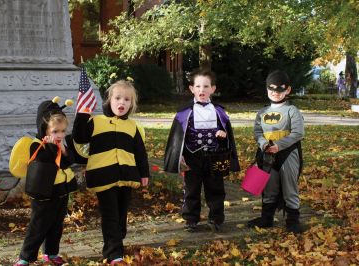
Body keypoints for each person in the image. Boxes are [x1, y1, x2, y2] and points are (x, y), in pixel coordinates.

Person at [72, 80, 150, 265]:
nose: (121, 102)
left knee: (121, 215)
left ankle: (115, 242)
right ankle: (114, 254)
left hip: (126, 176)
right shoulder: (96, 122)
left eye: (126, 99)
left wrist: (144, 173)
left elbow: (140, 152)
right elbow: (79, 136)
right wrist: (82, 115)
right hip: (103, 176)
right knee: (110, 215)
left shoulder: (132, 127)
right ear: (109, 99)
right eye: (117, 98)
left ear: (132, 104)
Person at [164, 68, 240, 232]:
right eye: (198, 86)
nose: (202, 90)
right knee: (192, 189)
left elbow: (227, 136)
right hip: (192, 157)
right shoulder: (184, 112)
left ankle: (216, 218)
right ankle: (191, 219)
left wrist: (223, 135)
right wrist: (180, 157)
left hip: (215, 157)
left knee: (216, 189)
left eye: (206, 86)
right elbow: (178, 138)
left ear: (213, 88)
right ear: (191, 89)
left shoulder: (220, 112)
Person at [15, 97, 78, 266]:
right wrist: (52, 146)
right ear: (44, 129)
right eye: (56, 131)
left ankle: (50, 253)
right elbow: (47, 163)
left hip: (61, 191)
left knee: (56, 225)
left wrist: (63, 148)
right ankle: (25, 257)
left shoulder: (61, 144)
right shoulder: (36, 145)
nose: (60, 135)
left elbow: (67, 162)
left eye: (63, 131)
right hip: (44, 193)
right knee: (38, 226)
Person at [247, 70, 304, 234]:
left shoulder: (292, 110)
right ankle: (267, 218)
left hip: (288, 154)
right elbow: (258, 132)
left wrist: (279, 145)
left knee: (289, 187)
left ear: (288, 90)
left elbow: (298, 133)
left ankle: (293, 220)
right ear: (266, 89)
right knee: (269, 187)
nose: (275, 93)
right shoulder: (262, 112)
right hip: (267, 156)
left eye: (280, 90)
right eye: (271, 89)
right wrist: (264, 144)